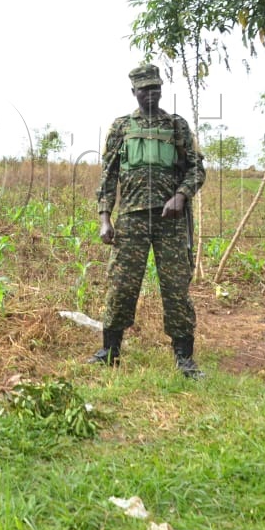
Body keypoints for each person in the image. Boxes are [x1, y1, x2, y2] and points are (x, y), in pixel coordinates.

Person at [90, 63, 207, 378]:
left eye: (156, 88)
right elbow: (108, 175)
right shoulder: (121, 127)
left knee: (176, 288)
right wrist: (105, 218)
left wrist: (181, 196)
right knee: (121, 285)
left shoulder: (176, 126)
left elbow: (197, 169)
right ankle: (110, 351)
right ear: (134, 92)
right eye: (145, 89)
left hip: (171, 221)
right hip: (131, 220)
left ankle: (184, 358)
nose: (151, 94)